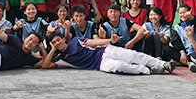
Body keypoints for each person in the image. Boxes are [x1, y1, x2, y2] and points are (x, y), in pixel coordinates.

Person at [42, 32, 174, 75]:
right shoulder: (61, 58)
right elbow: (45, 65)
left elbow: (93, 42)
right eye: (54, 43)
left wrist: (109, 41)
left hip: (104, 50)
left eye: (58, 40)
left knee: (132, 55)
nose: (57, 43)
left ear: (63, 39)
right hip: (100, 64)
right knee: (120, 66)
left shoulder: (75, 41)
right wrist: (53, 49)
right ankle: (149, 70)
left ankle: (163, 64)